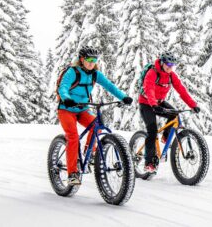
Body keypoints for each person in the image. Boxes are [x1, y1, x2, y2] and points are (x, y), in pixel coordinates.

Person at [57, 46, 133, 185]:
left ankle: (89, 153)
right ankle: (72, 173)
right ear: (82, 59)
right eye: (89, 59)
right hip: (67, 109)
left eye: (95, 59)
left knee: (97, 126)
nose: (92, 62)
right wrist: (67, 98)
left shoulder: (95, 74)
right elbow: (63, 87)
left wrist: (123, 97)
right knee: (73, 137)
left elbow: (110, 86)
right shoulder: (72, 72)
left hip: (82, 109)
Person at [139, 52, 200, 173]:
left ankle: (165, 137)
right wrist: (154, 105)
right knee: (152, 131)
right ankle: (148, 163)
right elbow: (149, 89)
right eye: (168, 64)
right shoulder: (152, 73)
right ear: (162, 63)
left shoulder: (171, 75)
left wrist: (193, 105)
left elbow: (182, 91)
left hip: (159, 102)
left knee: (174, 114)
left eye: (172, 65)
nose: (170, 67)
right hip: (146, 103)